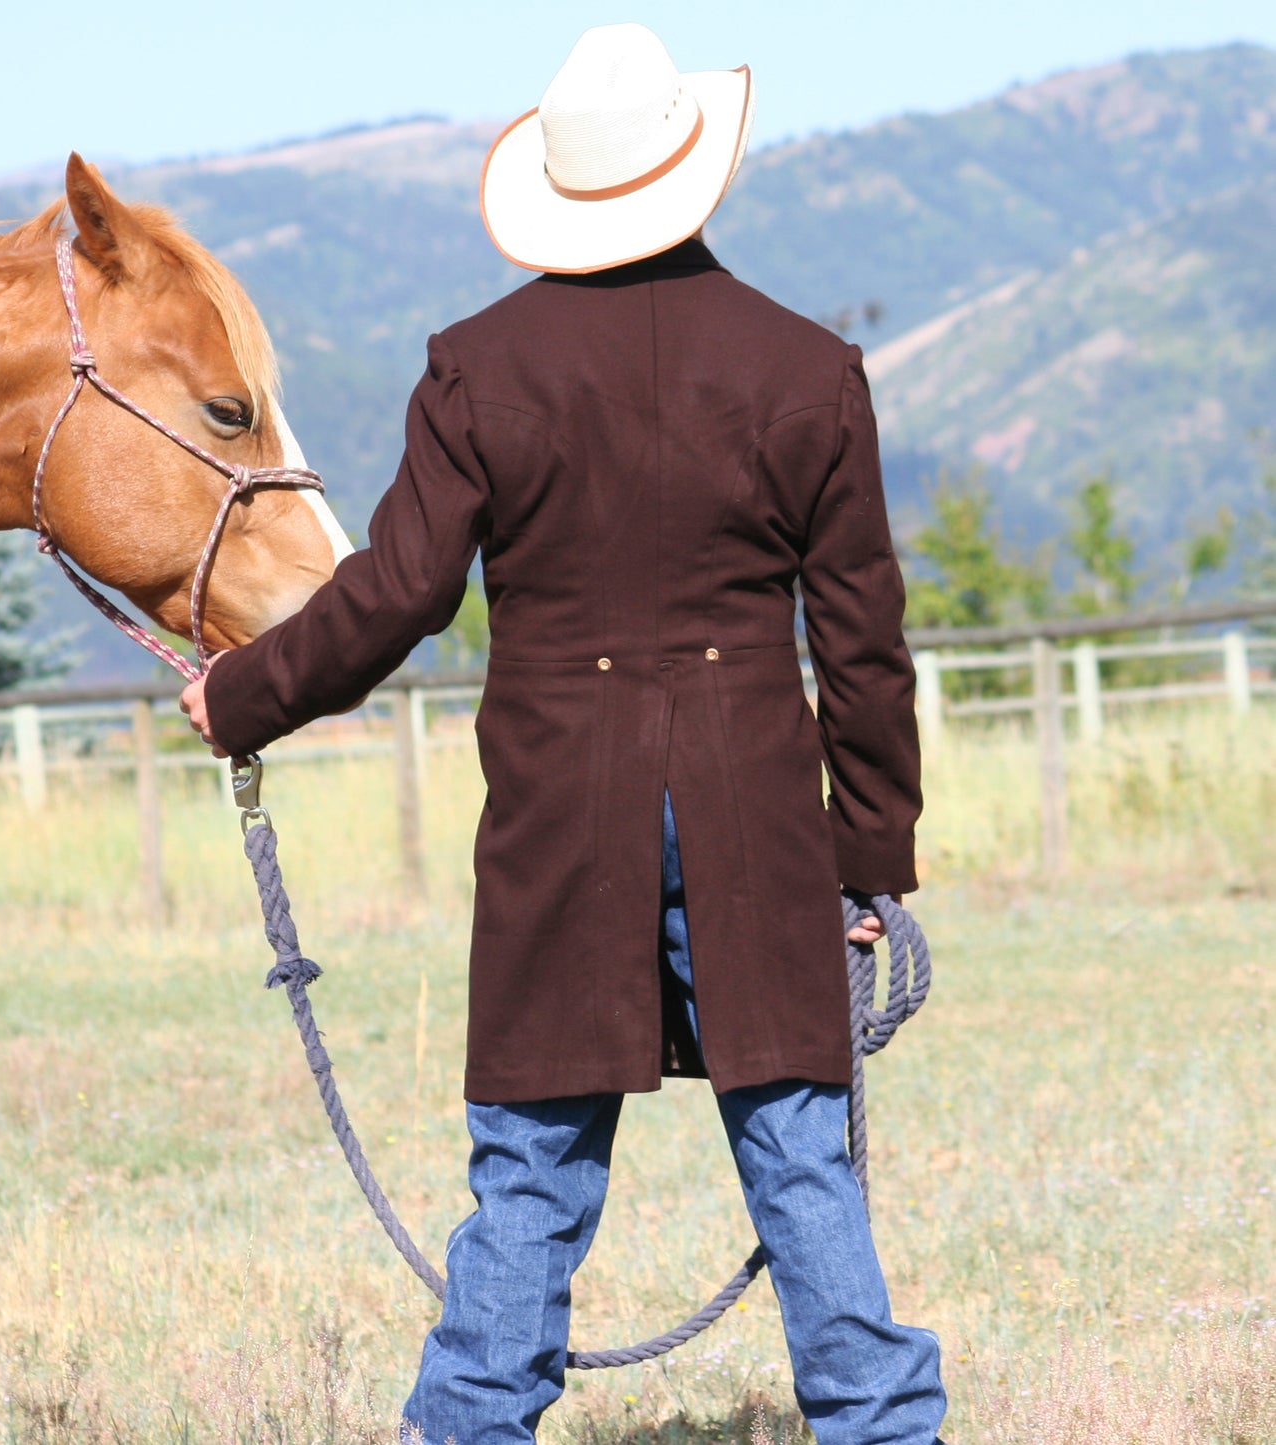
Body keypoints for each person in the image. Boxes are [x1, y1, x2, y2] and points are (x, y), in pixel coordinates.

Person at [181, 23, 947, 1445]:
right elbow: (861, 645)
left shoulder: (477, 369)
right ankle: (886, 1427)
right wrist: (870, 859)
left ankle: (466, 1424)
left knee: (530, 1161)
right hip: (755, 807)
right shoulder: (806, 370)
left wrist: (240, 693)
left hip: (556, 808)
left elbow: (394, 593)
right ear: (689, 174)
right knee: (796, 1142)